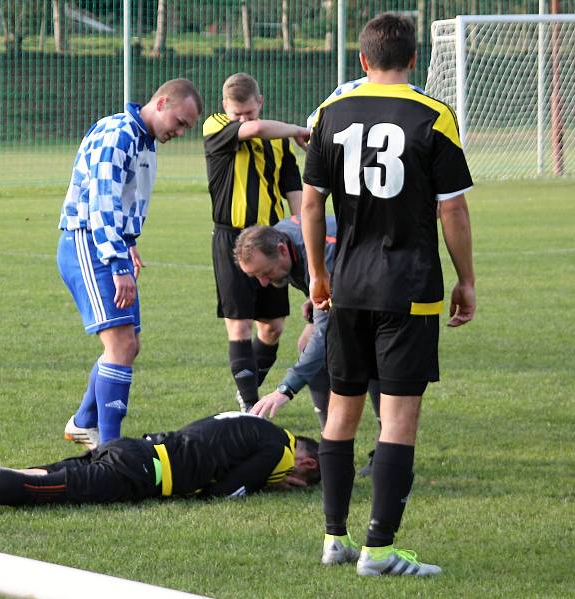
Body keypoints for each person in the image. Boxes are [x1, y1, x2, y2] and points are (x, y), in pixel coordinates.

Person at [301, 13, 476, 576]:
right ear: (413, 59)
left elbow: (310, 203)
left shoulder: (330, 114)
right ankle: (378, 551)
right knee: (397, 420)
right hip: (409, 288)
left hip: (346, 284)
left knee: (341, 413)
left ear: (362, 60)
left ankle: (334, 538)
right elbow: (452, 206)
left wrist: (317, 274)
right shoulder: (433, 115)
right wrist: (466, 278)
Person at [58, 79, 202, 449]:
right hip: (89, 242)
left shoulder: (143, 141)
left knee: (129, 345)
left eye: (187, 127)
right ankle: (110, 448)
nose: (181, 132)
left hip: (112, 245)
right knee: (120, 345)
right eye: (181, 121)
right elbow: (102, 204)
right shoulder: (119, 134)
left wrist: (130, 243)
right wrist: (117, 263)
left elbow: (127, 199)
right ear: (162, 101)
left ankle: (84, 423)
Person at [0, 412, 321, 513]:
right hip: (137, 474)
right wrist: (267, 482)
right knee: (31, 491)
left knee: (28, 473)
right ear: (308, 464)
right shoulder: (277, 451)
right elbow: (225, 492)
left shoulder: (248, 419)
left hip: (133, 449)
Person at [233, 217, 381, 475]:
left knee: (370, 356)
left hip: (385, 293)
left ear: (280, 249)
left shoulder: (324, 254)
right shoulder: (280, 238)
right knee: (306, 343)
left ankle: (385, 450)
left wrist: (285, 390)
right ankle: (330, 441)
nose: (264, 283)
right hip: (354, 287)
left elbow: (326, 334)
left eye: (265, 273)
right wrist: (313, 300)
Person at [203, 72, 311, 413]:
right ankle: (251, 408)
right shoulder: (215, 126)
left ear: (260, 102)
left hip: (270, 241)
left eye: (249, 112)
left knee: (273, 328)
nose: (243, 119)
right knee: (240, 324)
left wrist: (304, 228)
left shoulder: (277, 141)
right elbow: (256, 130)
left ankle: (248, 392)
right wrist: (298, 130)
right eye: (237, 114)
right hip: (232, 238)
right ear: (225, 108)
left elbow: (293, 189)